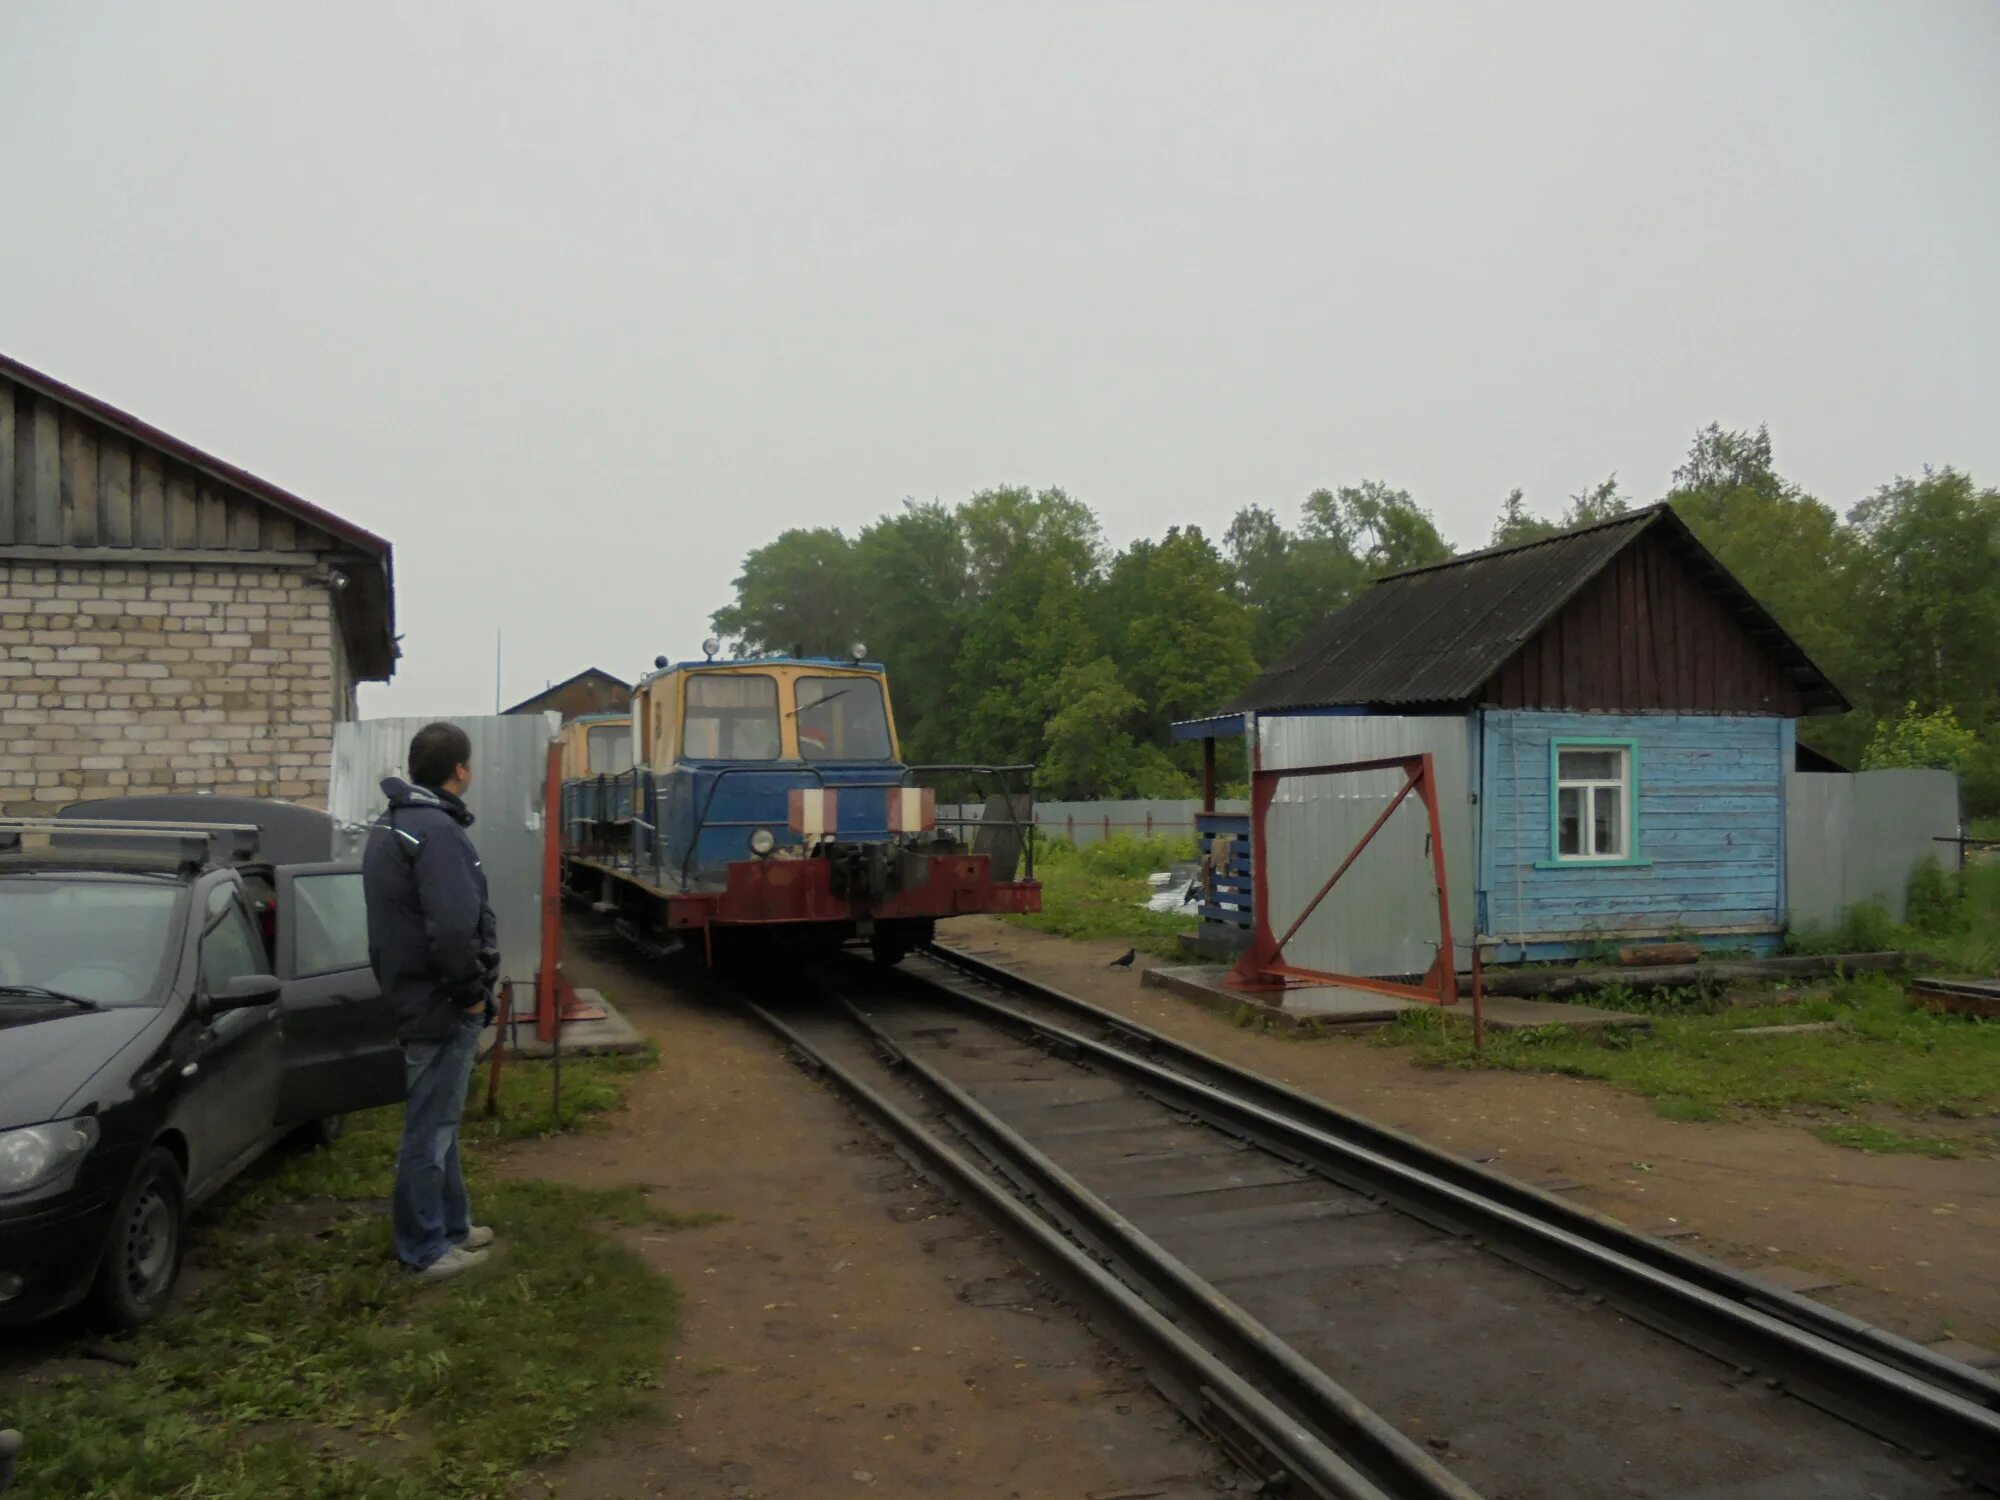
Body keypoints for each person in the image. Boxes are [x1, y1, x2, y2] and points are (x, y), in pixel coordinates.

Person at [362, 721, 502, 1280]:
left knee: (440, 1122)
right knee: (430, 1130)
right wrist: (469, 995)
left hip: (416, 993)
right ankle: (423, 1250)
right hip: (440, 1002)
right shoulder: (435, 831)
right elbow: (451, 927)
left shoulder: (395, 823)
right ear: (460, 770)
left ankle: (452, 1226)